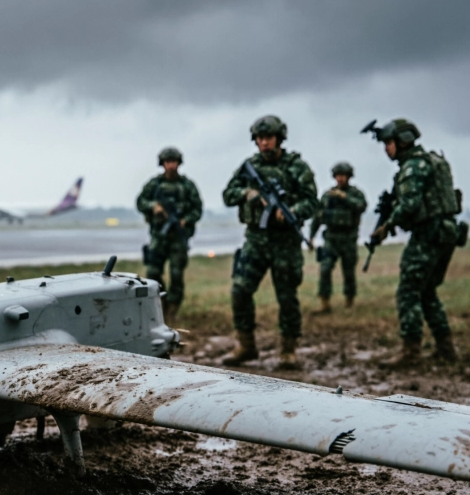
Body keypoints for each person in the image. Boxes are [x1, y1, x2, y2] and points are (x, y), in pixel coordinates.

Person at [221, 115, 318, 370]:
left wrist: (292, 212)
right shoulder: (248, 166)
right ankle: (246, 346)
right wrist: (248, 193)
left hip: (285, 242)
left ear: (279, 139)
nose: (264, 143)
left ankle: (288, 350)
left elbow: (312, 201)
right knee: (239, 291)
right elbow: (228, 194)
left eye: (269, 138)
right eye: (260, 139)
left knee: (287, 297)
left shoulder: (297, 167)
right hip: (255, 240)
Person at [368, 118, 461, 367]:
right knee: (426, 291)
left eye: (389, 142)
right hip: (444, 232)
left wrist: (387, 226)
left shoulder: (413, 166)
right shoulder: (426, 161)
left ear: (403, 141)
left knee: (408, 291)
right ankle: (446, 348)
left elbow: (410, 204)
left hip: (428, 234)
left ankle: (410, 351)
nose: (387, 148)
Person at [135, 146, 203, 324]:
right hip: (159, 236)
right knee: (152, 272)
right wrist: (153, 207)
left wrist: (185, 220)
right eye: (167, 162)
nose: (171, 165)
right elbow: (140, 201)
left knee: (177, 274)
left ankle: (172, 310)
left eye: (173, 162)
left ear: (178, 163)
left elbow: (197, 209)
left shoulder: (187, 186)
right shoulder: (154, 185)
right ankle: (160, 305)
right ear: (162, 164)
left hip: (178, 238)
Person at [308, 162, 367, 313]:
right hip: (331, 239)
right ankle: (324, 302)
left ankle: (349, 300)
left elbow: (361, 206)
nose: (340, 179)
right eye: (338, 176)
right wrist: (311, 236)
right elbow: (318, 217)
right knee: (325, 269)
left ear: (349, 177)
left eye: (343, 176)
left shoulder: (355, 194)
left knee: (348, 272)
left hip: (348, 239)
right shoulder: (328, 196)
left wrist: (345, 198)